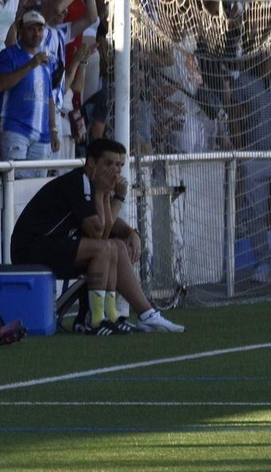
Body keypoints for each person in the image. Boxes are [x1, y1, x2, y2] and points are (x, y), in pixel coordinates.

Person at [10, 138, 185, 334]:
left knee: (117, 247)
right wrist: (111, 195)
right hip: (31, 249)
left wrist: (130, 233)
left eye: (119, 165)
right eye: (109, 164)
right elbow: (99, 232)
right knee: (105, 248)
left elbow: (106, 222)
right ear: (91, 163)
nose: (115, 171)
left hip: (54, 245)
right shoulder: (79, 183)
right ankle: (92, 319)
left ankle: (138, 315)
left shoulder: (92, 184)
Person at [0, 10, 56, 170]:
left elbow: (49, 98)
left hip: (42, 136)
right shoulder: (9, 55)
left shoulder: (45, 61)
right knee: (13, 183)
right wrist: (30, 65)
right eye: (31, 29)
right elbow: (0, 84)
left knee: (36, 189)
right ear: (20, 30)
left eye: (40, 29)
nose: (36, 34)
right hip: (15, 129)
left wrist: (53, 129)